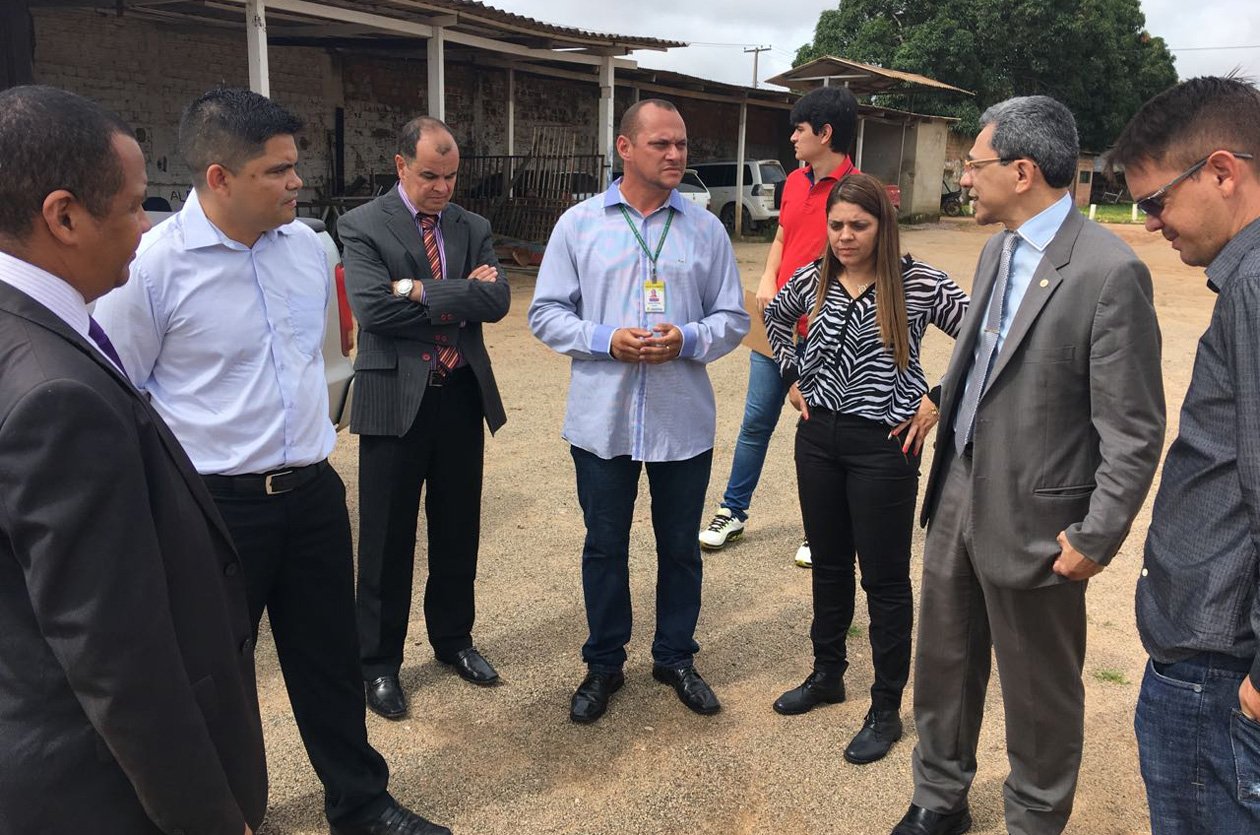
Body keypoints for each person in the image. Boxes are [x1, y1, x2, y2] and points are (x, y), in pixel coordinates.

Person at [94, 89, 450, 835]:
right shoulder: (152, 267)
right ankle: (230, 813)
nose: (298, 182)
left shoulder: (308, 253)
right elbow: (119, 397)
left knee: (328, 656)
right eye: (279, 170)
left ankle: (359, 801)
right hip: (214, 509)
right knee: (215, 675)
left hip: (313, 494)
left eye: (297, 166)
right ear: (220, 177)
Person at [891, 96, 1165, 835]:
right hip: (960, 488)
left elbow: (1134, 428)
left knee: (1039, 688)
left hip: (1043, 520)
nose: (965, 180)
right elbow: (994, 354)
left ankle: (1035, 819)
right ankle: (939, 797)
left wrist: (1096, 534)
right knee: (944, 660)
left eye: (974, 166)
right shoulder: (996, 250)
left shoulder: (1109, 272)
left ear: (1021, 170)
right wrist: (942, 396)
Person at [0, 85, 266, 834]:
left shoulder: (32, 331)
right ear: (64, 216)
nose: (147, 228)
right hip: (95, 783)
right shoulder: (56, 395)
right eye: (134, 205)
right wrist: (207, 815)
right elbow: (114, 653)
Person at [529, 99, 749, 724]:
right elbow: (545, 312)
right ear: (625, 148)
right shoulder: (579, 225)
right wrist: (605, 339)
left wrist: (689, 339)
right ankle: (603, 663)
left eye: (681, 144)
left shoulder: (705, 229)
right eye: (662, 144)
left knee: (679, 546)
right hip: (603, 421)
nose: (677, 155)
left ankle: (675, 654)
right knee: (604, 545)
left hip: (682, 419)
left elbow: (731, 318)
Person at [764, 173, 967, 764]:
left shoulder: (919, 282)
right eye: (836, 226)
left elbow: (989, 338)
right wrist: (794, 376)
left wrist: (939, 398)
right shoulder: (814, 278)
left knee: (882, 578)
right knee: (828, 565)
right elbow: (774, 318)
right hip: (819, 439)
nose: (845, 237)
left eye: (859, 225)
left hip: (886, 446)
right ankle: (827, 673)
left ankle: (885, 707)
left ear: (883, 226)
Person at [1110, 76, 1260, 834]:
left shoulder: (1256, 288)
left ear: (1223, 172)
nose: (1150, 222)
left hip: (1218, 667)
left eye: (1155, 200)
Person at [339, 116, 509, 721]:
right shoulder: (361, 225)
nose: (442, 187)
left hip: (459, 395)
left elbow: (498, 302)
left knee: (458, 527)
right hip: (394, 399)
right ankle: (378, 663)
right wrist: (457, 294)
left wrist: (415, 288)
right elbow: (372, 311)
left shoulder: (473, 226)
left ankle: (453, 640)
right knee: (385, 537)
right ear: (400, 165)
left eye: (451, 175)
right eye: (430, 175)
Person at [700, 85, 860, 568]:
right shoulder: (794, 181)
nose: (792, 137)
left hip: (828, 334)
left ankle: (821, 529)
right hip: (777, 326)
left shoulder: (858, 193)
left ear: (826, 133)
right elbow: (784, 235)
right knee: (755, 423)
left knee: (823, 434)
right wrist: (769, 277)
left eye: (799, 128)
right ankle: (733, 511)